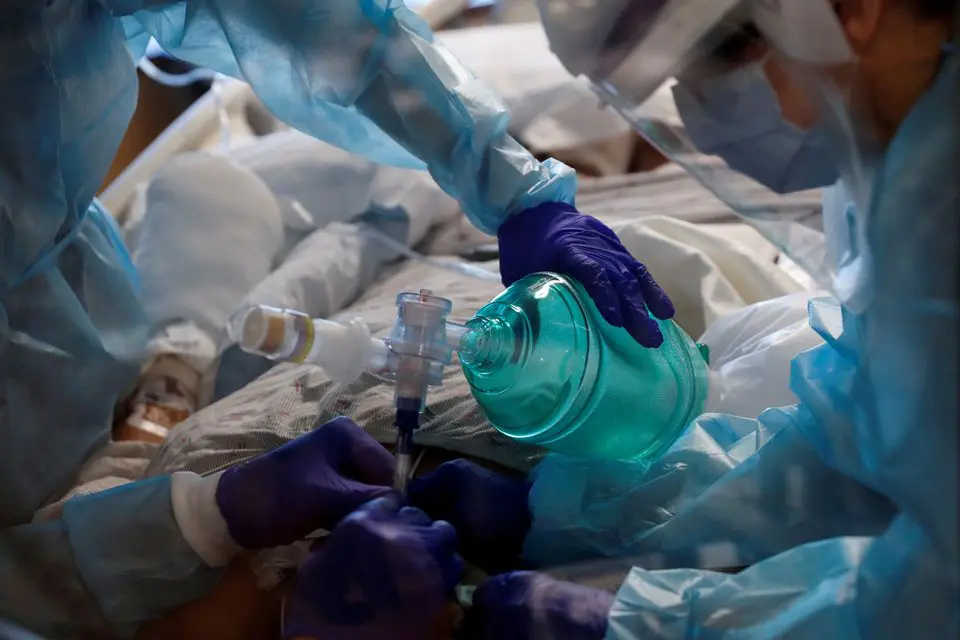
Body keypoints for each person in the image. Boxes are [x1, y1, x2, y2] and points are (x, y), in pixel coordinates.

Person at [2, 0, 667, 636]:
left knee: (210, 188)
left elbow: (317, 21)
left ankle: (164, 389)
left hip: (109, 398)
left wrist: (511, 186)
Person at [405, 0, 959, 638]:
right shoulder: (903, 154)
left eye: (718, 60)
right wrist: (586, 518)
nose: (700, 112)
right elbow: (861, 432)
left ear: (854, 10)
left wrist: (660, 622)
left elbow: (938, 597)